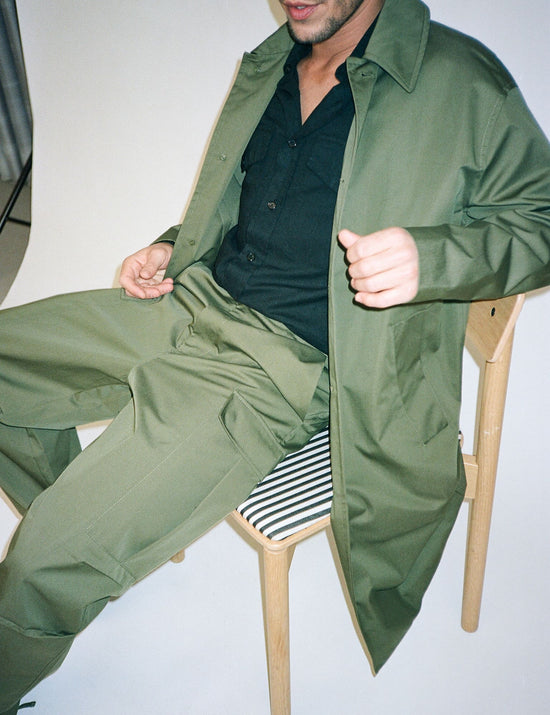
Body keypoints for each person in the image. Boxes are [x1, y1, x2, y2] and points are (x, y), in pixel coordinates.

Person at [1, 0, 549, 710]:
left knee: (39, 560)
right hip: (193, 300)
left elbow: (542, 220)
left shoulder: (460, 80)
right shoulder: (273, 61)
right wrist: (172, 245)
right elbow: (253, 202)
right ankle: (98, 531)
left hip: (280, 365)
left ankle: (61, 563)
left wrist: (434, 258)